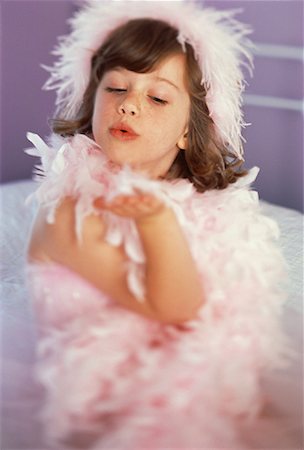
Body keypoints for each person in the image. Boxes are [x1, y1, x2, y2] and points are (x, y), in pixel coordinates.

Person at [25, 1, 288, 448]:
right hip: (98, 401)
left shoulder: (204, 210)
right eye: (115, 89)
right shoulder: (69, 213)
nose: (129, 106)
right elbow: (177, 308)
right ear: (92, 104)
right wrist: (157, 223)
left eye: (158, 96)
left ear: (188, 130)